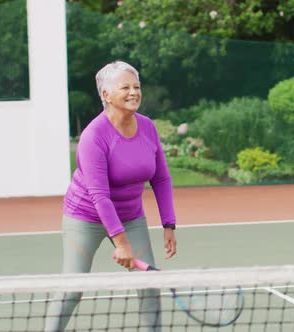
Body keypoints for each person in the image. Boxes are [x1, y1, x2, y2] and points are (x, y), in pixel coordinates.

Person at [45, 61, 177, 331]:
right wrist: (121, 243)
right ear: (106, 95)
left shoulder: (148, 127)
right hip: (86, 217)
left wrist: (169, 223)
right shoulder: (94, 136)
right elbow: (99, 196)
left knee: (149, 286)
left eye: (137, 86)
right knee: (73, 288)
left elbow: (161, 178)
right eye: (125, 87)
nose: (133, 92)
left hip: (131, 216)